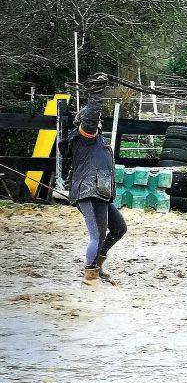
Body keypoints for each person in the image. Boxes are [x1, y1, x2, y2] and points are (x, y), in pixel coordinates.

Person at [62, 73, 127, 285]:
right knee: (97, 235)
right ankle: (90, 274)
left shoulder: (99, 140)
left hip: (101, 192)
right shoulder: (84, 135)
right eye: (95, 119)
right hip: (88, 191)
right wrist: (96, 93)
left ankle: (97, 267)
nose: (98, 120)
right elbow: (91, 115)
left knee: (119, 228)